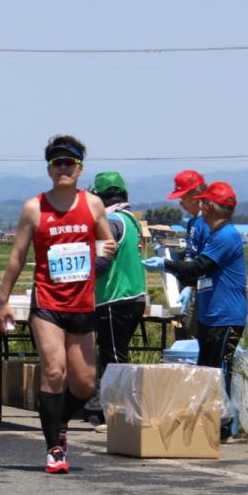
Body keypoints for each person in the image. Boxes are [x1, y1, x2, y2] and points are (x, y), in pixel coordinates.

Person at [0, 135, 117, 474]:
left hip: (82, 304)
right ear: (49, 168)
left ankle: (58, 421)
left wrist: (100, 252)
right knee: (54, 370)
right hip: (47, 302)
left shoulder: (92, 205)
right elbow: (17, 256)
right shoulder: (34, 208)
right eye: (57, 162)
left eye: (69, 162)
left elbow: (108, 244)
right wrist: (3, 301)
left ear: (80, 168)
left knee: (84, 383)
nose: (63, 168)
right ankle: (54, 449)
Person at [144, 181, 248, 440]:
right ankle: (211, 422)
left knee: (218, 370)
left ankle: (223, 425)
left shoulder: (226, 236)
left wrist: (166, 264)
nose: (200, 208)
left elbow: (197, 267)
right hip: (212, 312)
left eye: (204, 203)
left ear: (209, 206)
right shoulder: (217, 234)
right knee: (207, 370)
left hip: (225, 314)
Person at [88, 170, 147, 432]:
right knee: (118, 354)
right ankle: (113, 409)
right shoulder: (131, 220)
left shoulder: (110, 221)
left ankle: (115, 413)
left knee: (112, 357)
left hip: (114, 297)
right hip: (135, 296)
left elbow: (102, 261)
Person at [166, 169, 210, 338]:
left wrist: (191, 287)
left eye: (183, 196)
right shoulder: (192, 221)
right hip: (188, 285)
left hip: (197, 289)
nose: (180, 201)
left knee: (191, 335)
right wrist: (177, 256)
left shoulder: (206, 222)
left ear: (196, 194)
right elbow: (192, 251)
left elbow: (205, 259)